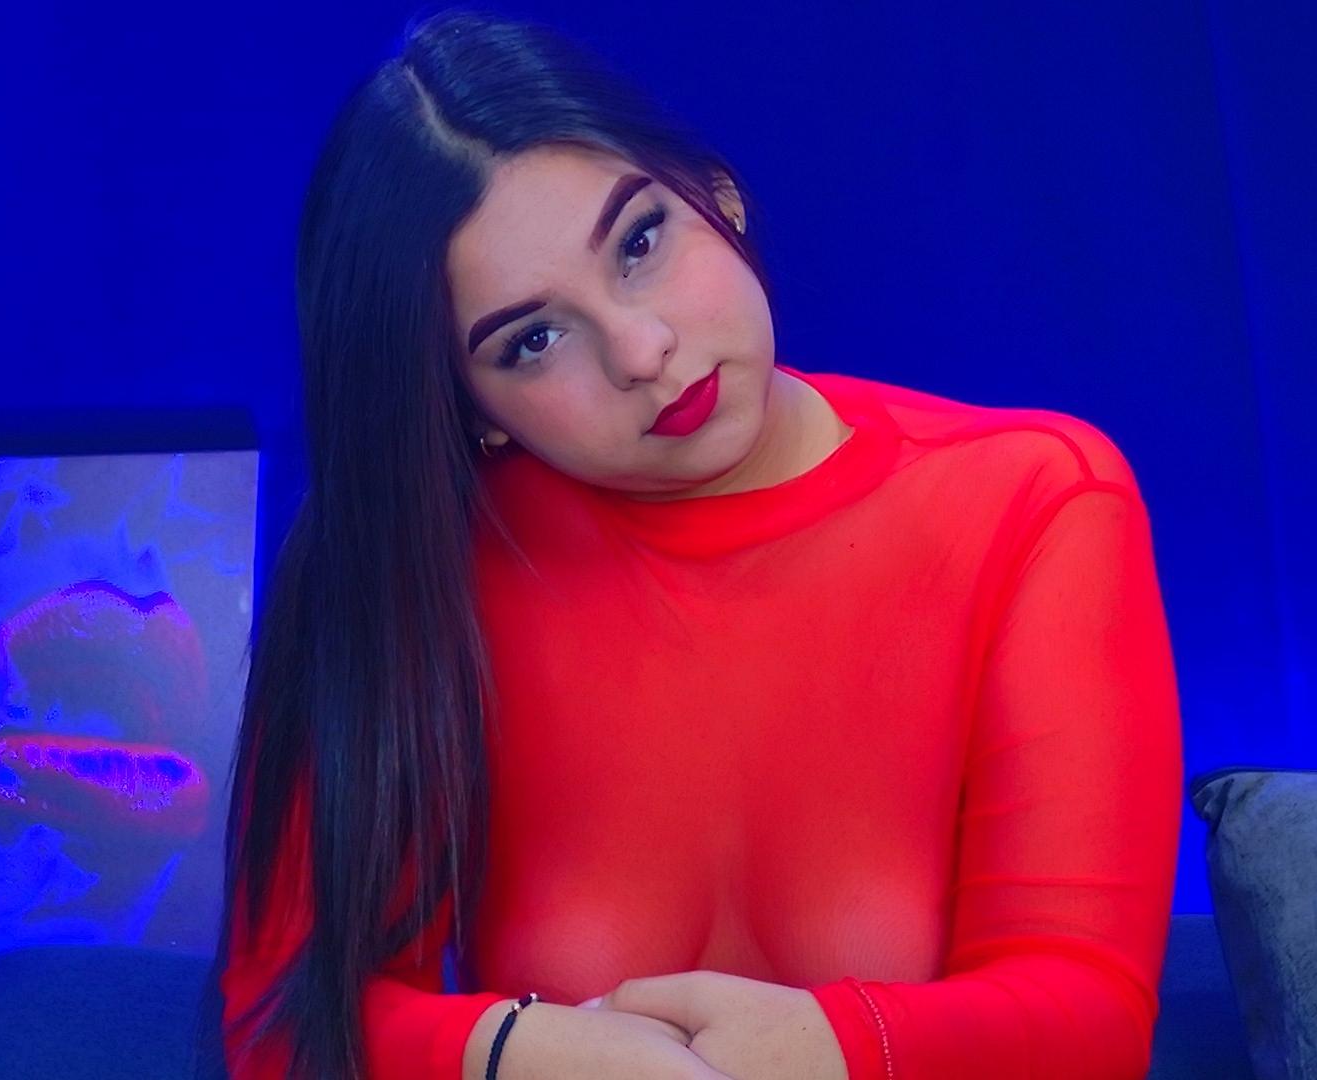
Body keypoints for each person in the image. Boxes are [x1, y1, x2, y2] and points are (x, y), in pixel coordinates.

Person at [218, 7, 1183, 1079]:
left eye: (639, 242)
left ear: (715, 194)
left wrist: (829, 1051)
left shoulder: (1038, 501)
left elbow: (1087, 1026)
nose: (640, 350)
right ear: (473, 409)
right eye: (533, 340)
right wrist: (525, 1053)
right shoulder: (423, 564)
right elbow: (280, 1027)